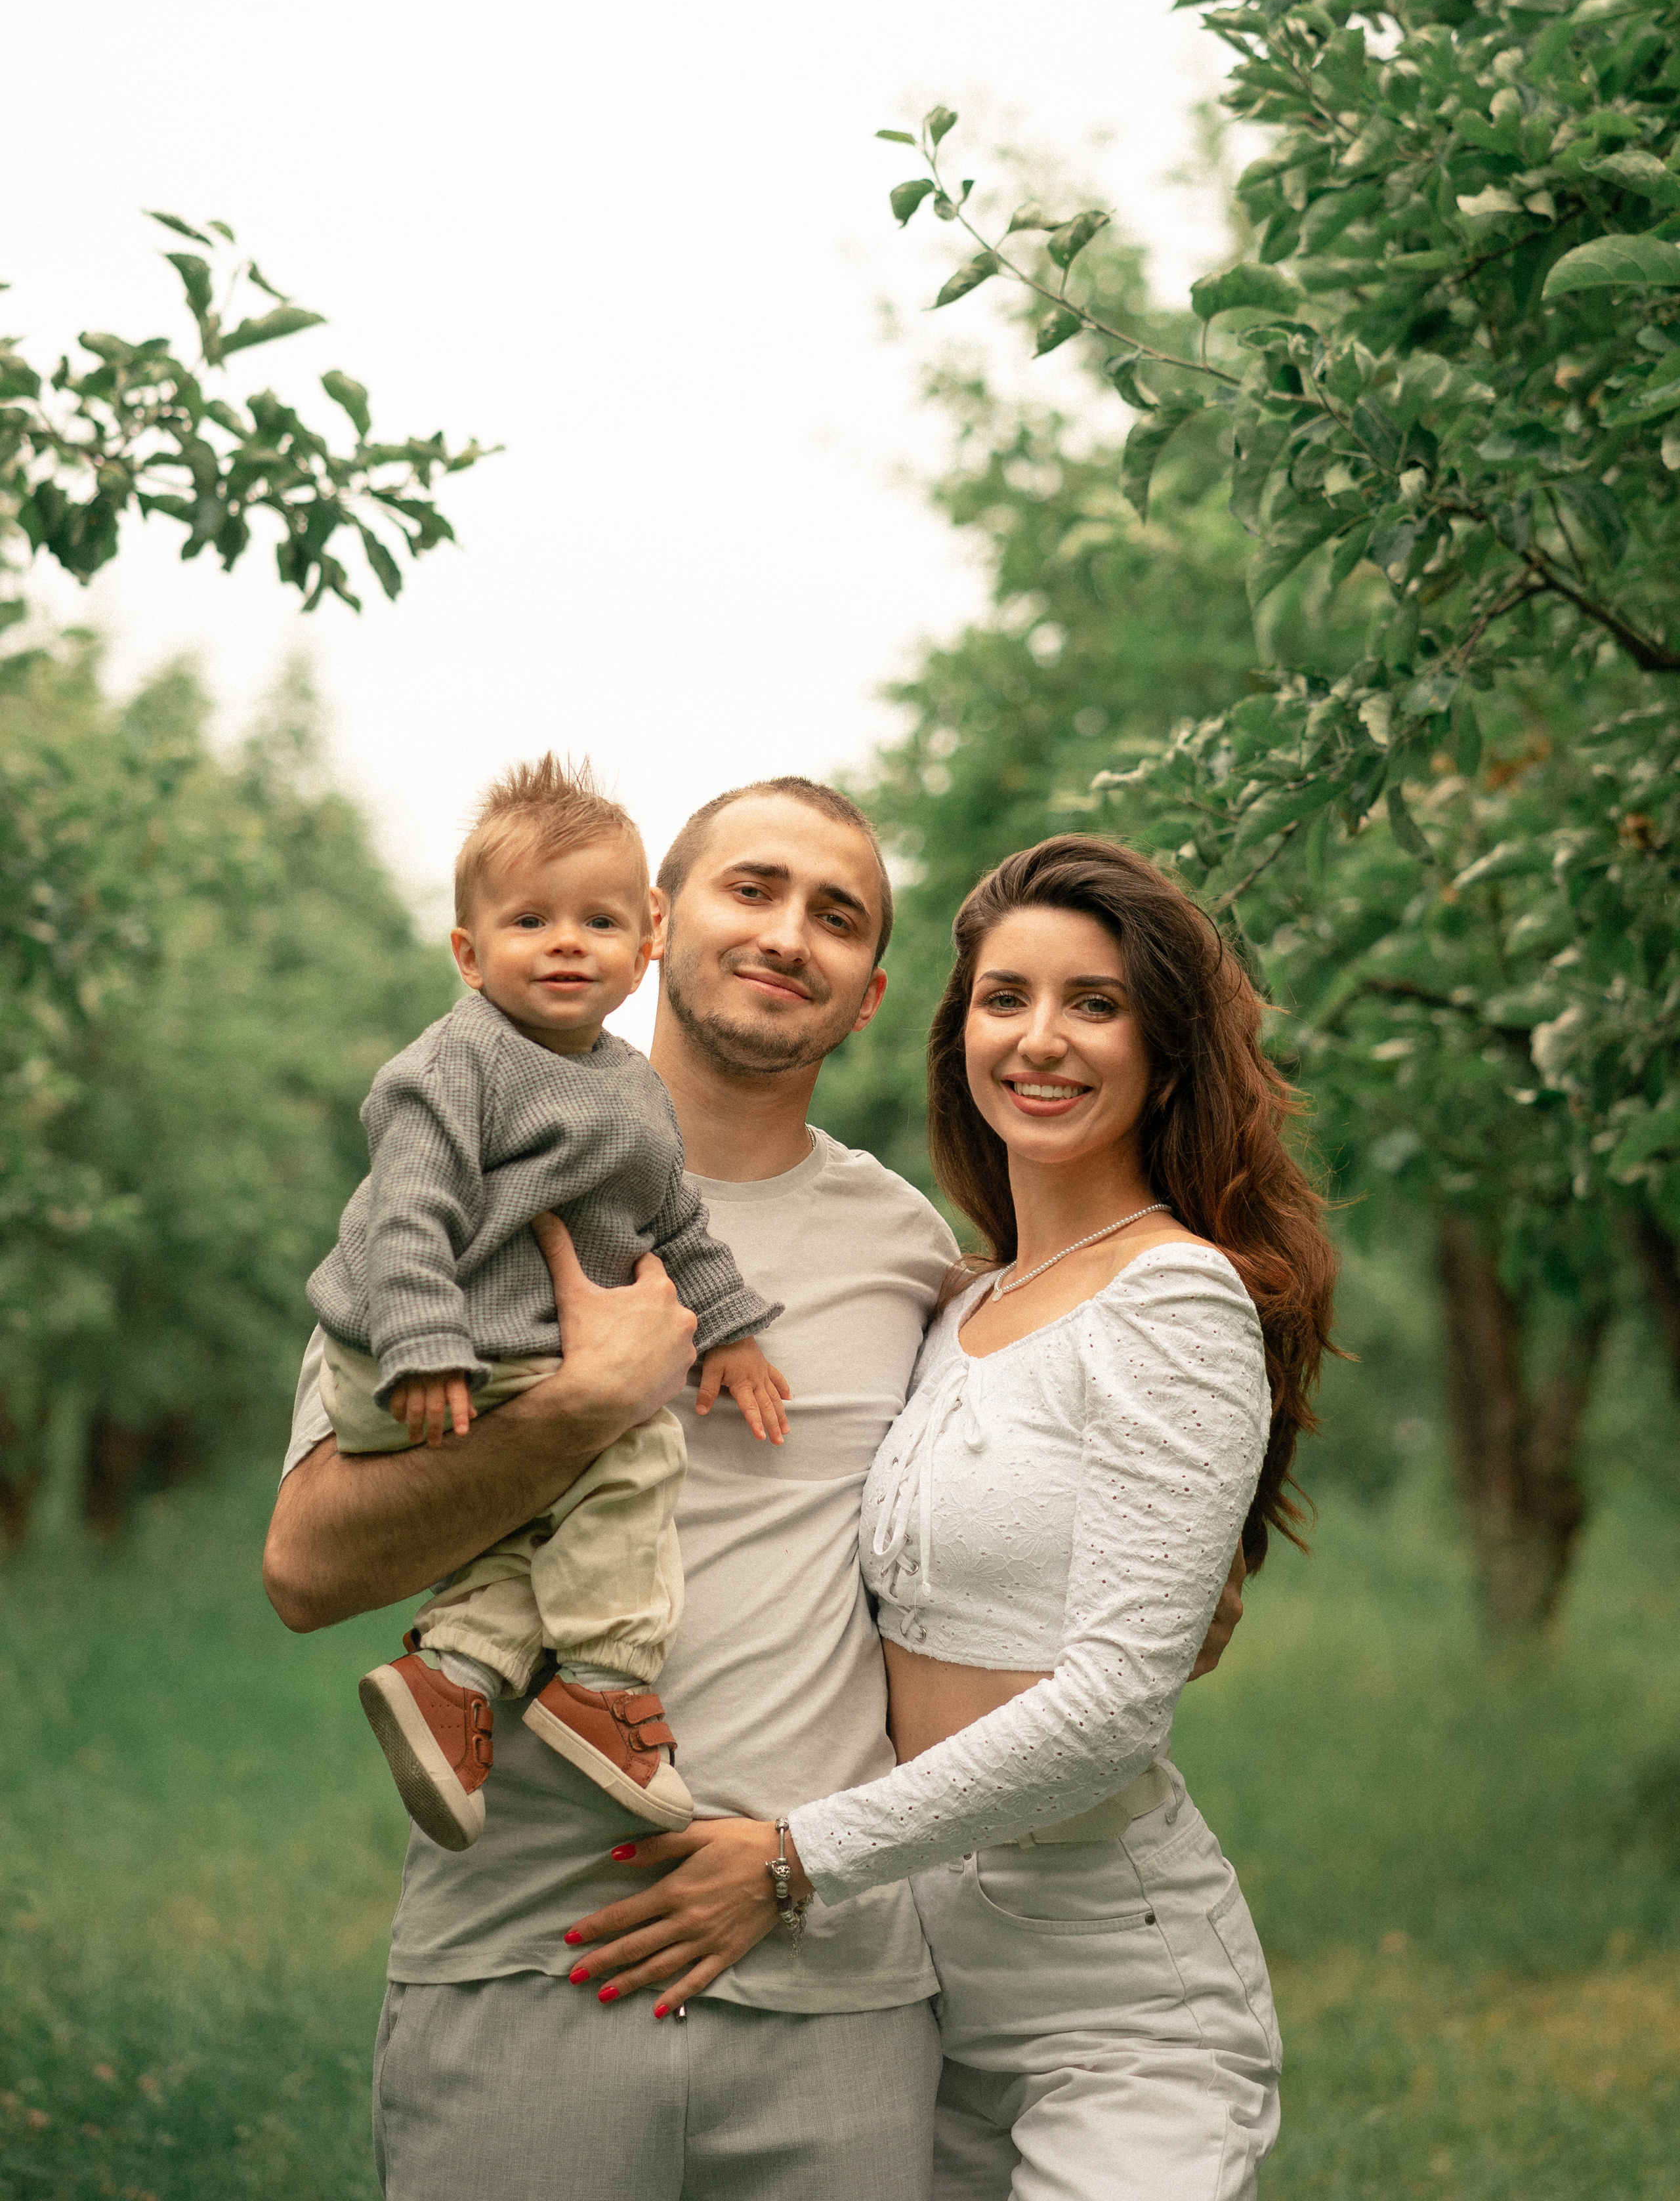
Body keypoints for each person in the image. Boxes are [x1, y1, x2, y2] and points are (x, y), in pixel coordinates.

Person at [264, 786, 1248, 2201]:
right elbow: (304, 1570)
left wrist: (1176, 1573)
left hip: (833, 1986)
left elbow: (1031, 1473)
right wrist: (582, 1412)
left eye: (835, 916)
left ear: (870, 997)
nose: (788, 934)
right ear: (664, 927)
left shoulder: (909, 1251)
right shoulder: (456, 1198)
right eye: (752, 889)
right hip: (533, 1962)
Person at [560, 834, 1333, 2201]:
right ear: (955, 1030)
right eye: (1003, 998)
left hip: (1111, 1993)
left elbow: (1109, 1708)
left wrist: (794, 1860)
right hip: (917, 1984)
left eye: (1092, 1004)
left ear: (1163, 1046)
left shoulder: (1173, 1298)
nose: (1040, 1041)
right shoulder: (952, 1300)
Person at [308, 755, 786, 1851]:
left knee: (548, 1511)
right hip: (422, 1354)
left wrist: (734, 1334)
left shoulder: (630, 1089)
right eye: (531, 921)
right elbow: (408, 1217)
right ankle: (606, 1684)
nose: (567, 942)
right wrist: (425, 1342)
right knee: (634, 1455)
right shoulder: (456, 1067)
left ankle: (456, 1677)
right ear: (471, 955)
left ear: (644, 945)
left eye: (598, 921)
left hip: (495, 1356)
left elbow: (674, 1226)